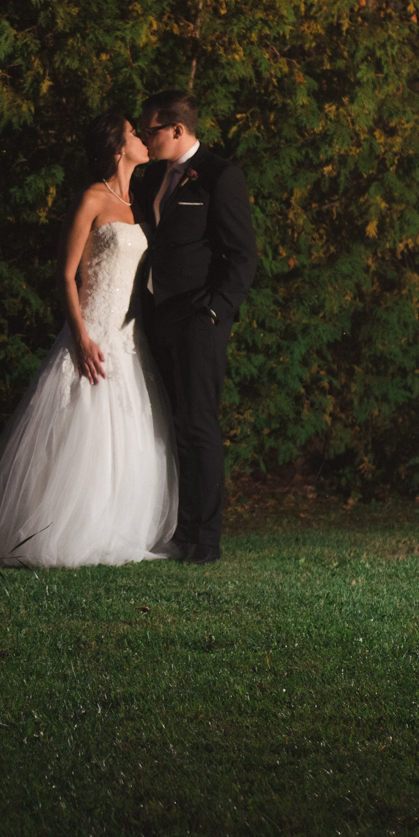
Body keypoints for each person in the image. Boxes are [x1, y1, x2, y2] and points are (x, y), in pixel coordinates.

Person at [0, 113, 178, 568]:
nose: (144, 139)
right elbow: (65, 275)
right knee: (81, 432)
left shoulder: (142, 202)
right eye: (135, 134)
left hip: (130, 336)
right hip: (92, 330)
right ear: (116, 147)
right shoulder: (91, 198)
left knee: (130, 433)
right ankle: (60, 531)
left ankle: (115, 526)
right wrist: (81, 336)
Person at [132, 90, 258, 565]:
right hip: (158, 318)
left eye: (151, 130)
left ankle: (205, 540)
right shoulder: (151, 180)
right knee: (172, 427)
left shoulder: (220, 177)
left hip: (198, 321)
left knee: (199, 426)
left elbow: (243, 254)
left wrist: (214, 311)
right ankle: (178, 530)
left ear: (177, 130)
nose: (146, 137)